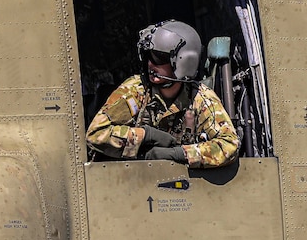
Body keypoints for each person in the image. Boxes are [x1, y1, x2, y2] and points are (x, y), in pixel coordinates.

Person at [86, 20, 240, 168]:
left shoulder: (200, 97)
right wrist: (145, 136)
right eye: (148, 57)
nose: (151, 64)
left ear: (184, 62)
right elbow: (96, 134)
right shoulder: (136, 90)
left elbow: (230, 145)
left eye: (159, 58)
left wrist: (179, 154)